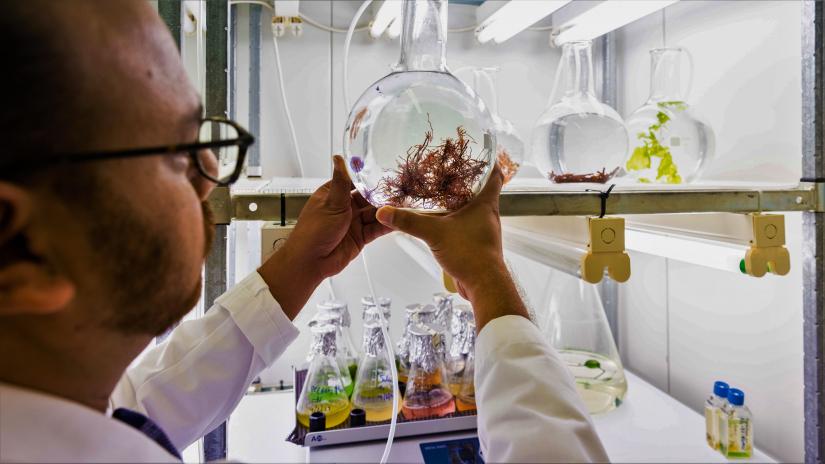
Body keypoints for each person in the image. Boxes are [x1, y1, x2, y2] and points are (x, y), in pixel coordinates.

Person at [0, 2, 606, 463]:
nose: (210, 177)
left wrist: (300, 266)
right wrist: (489, 275)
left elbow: (145, 405)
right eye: (177, 151)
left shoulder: (63, 410)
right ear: (21, 247)